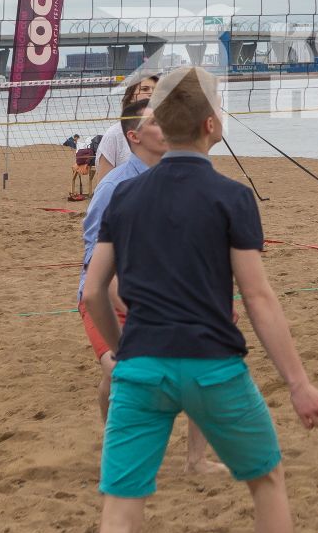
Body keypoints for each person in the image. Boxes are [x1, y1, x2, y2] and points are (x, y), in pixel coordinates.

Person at [64, 66, 318, 533]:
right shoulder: (232, 196)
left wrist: (119, 349)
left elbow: (91, 291)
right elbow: (260, 298)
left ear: (158, 125)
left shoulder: (125, 195)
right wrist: (298, 383)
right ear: (213, 127)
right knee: (267, 482)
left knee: (119, 517)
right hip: (215, 368)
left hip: (141, 370)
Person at [78, 96, 221, 472]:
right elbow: (96, 264)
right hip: (111, 294)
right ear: (134, 137)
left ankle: (197, 460)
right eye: (157, 123)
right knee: (121, 371)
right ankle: (118, 445)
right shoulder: (113, 188)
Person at [95, 76, 160, 182]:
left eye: (155, 90)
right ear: (131, 97)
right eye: (145, 89)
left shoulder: (167, 132)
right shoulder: (114, 134)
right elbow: (103, 183)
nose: (151, 93)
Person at [70, 135, 101, 201]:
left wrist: (86, 163)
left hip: (91, 158)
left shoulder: (82, 147)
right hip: (93, 159)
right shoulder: (91, 146)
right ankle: (94, 193)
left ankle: (92, 193)